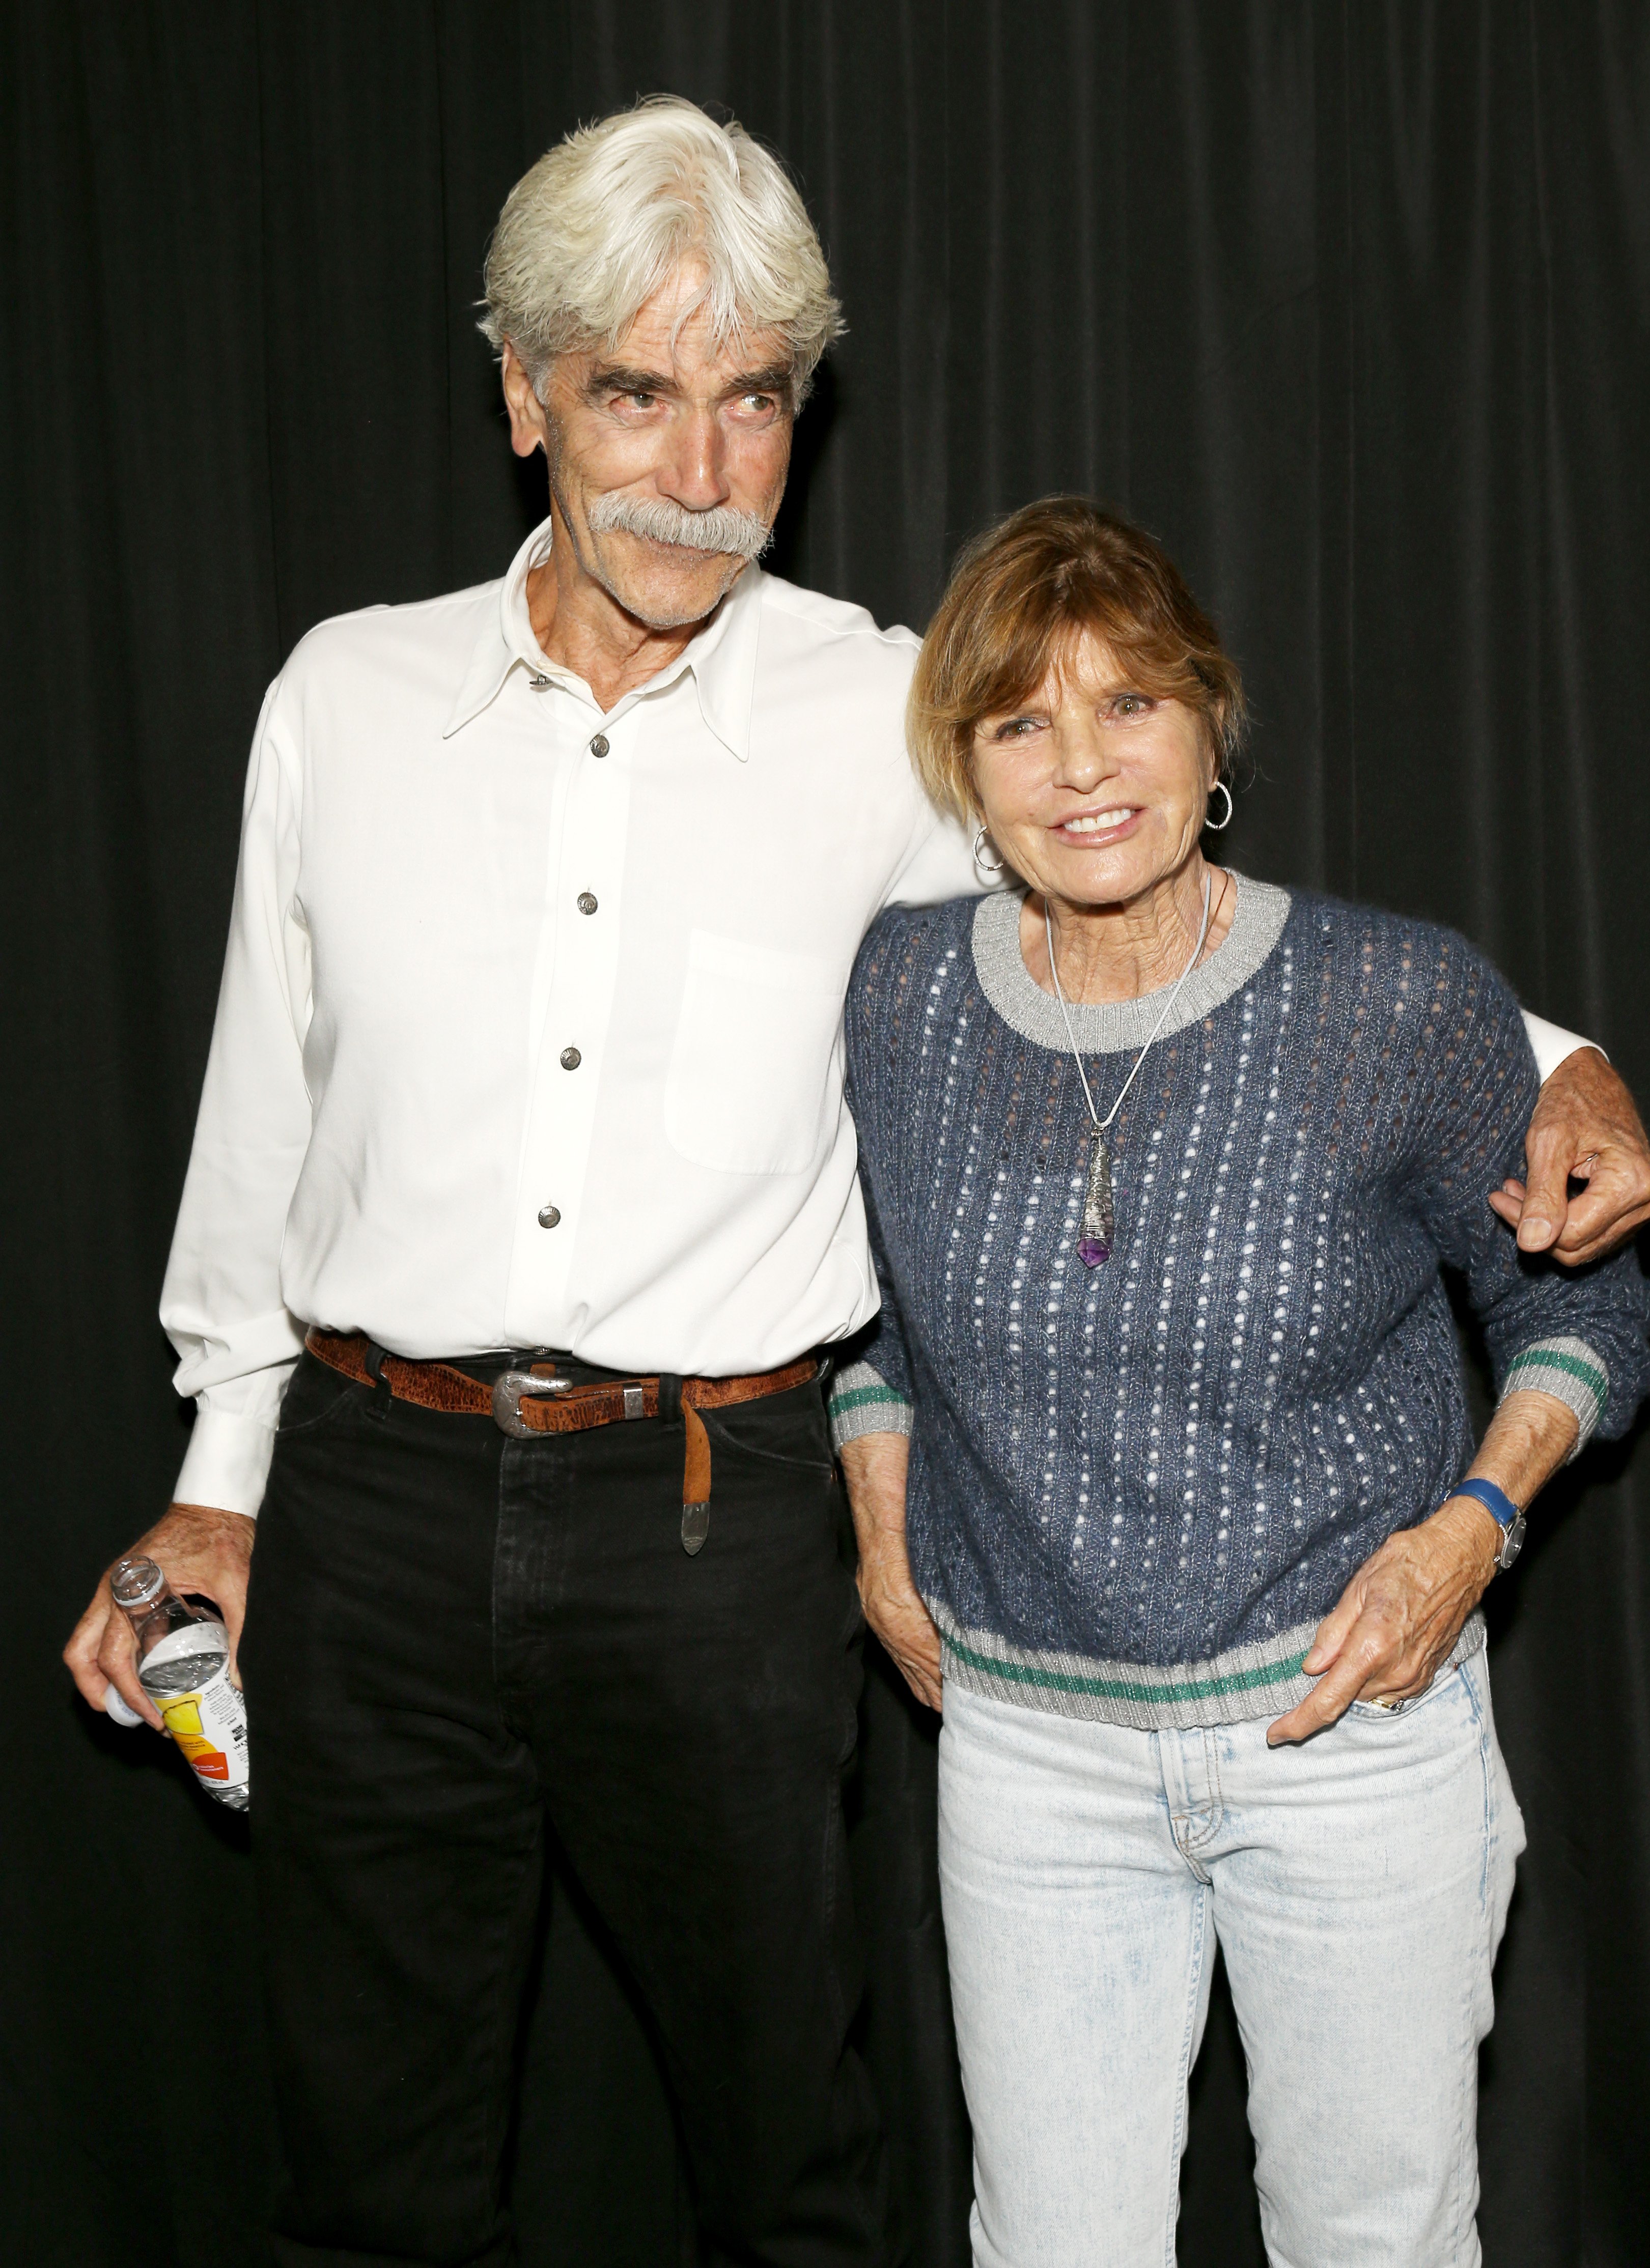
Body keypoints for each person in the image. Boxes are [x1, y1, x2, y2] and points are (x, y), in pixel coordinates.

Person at [60, 97, 1648, 2268]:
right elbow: (265, 1099)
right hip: (372, 1493)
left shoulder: (898, 713)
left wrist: (1568, 1065)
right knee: (367, 2154)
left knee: (788, 2155)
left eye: (753, 403)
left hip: (716, 1519)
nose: (700, 473)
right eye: (635, 392)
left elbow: (1187, 916)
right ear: (521, 395)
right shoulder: (345, 694)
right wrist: (219, 1475)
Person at [830, 495, 1650, 2268]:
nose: (1080, 764)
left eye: (1127, 702)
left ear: (1210, 725)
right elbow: (869, 1314)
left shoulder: (1389, 998)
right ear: (966, 772)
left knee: (1374, 2239)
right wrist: (881, 1531)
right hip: (1031, 1761)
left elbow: (1582, 1315)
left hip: (1347, 1744)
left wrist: (1472, 1531)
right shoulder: (895, 1000)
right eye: (1019, 721)